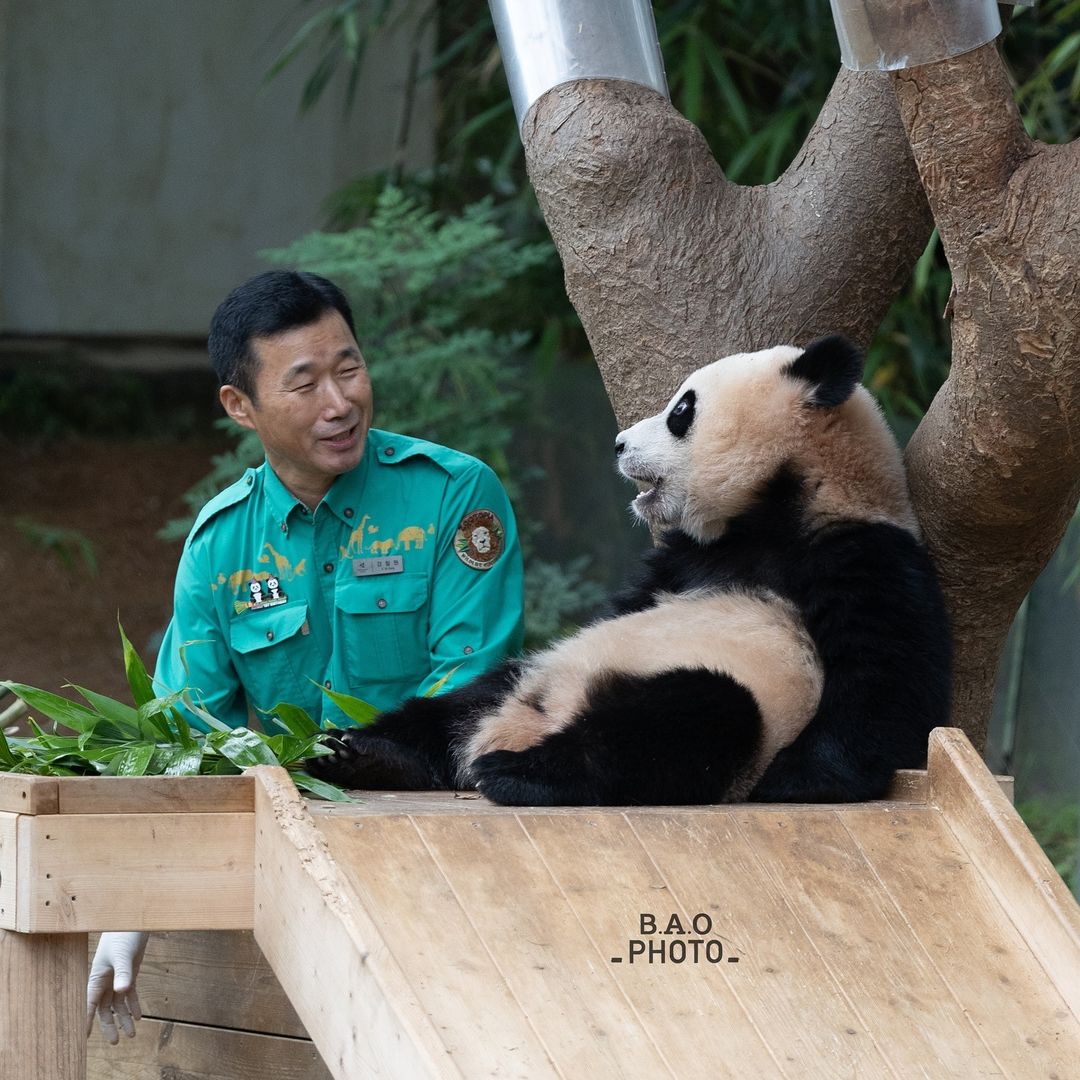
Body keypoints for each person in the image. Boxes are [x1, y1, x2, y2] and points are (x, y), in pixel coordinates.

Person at [87, 269, 525, 1044]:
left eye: (348, 367)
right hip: (295, 863)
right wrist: (133, 904)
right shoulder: (222, 545)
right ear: (240, 406)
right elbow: (187, 740)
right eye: (305, 383)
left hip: (443, 855)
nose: (340, 402)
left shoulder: (455, 496)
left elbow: (473, 693)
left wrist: (352, 779)